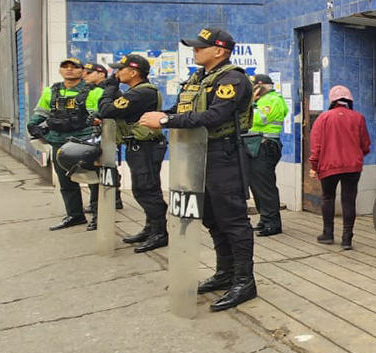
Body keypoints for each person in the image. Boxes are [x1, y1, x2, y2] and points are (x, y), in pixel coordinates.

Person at [139, 27, 257, 312]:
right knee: (212, 218)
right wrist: (164, 115)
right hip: (196, 155)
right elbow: (181, 109)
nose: (195, 51)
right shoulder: (197, 79)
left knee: (233, 220)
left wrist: (166, 122)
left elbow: (216, 116)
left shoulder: (232, 79)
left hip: (222, 155)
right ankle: (225, 272)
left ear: (219, 51)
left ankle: (245, 281)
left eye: (199, 47)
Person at [97, 54, 168, 252]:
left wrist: (110, 88)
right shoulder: (136, 92)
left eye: (120, 69)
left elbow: (107, 109)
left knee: (147, 189)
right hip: (140, 146)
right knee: (142, 188)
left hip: (146, 147)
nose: (117, 73)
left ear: (134, 72)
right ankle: (150, 227)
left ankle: (159, 233)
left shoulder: (141, 93)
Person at [28, 57, 103, 231]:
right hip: (58, 140)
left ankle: (99, 217)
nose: (69, 70)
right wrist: (33, 124)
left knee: (94, 180)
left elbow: (97, 113)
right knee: (65, 181)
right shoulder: (51, 91)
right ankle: (75, 215)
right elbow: (41, 113)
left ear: (82, 72)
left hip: (85, 142)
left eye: (74, 67)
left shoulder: (94, 91)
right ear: (60, 70)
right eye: (65, 67)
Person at [308, 85, 370, 250]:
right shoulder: (358, 118)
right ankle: (347, 238)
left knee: (327, 197)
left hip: (329, 166)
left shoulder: (323, 118)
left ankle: (327, 234)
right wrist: (357, 155)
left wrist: (314, 165)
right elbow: (365, 144)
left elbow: (316, 146)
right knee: (349, 200)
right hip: (352, 167)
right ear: (349, 101)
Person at [246, 73, 287, 236]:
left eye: (254, 86)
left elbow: (256, 120)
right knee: (256, 185)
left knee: (265, 186)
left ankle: (273, 222)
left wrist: (249, 104)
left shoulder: (273, 99)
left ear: (261, 86)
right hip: (257, 146)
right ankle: (265, 218)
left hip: (266, 146)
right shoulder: (261, 101)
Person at [83, 61, 122, 223]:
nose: (85, 75)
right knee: (101, 167)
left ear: (101, 74)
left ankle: (107, 200)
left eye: (89, 72)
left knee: (104, 167)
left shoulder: (109, 91)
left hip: (108, 135)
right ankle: (112, 199)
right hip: (98, 134)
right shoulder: (93, 90)